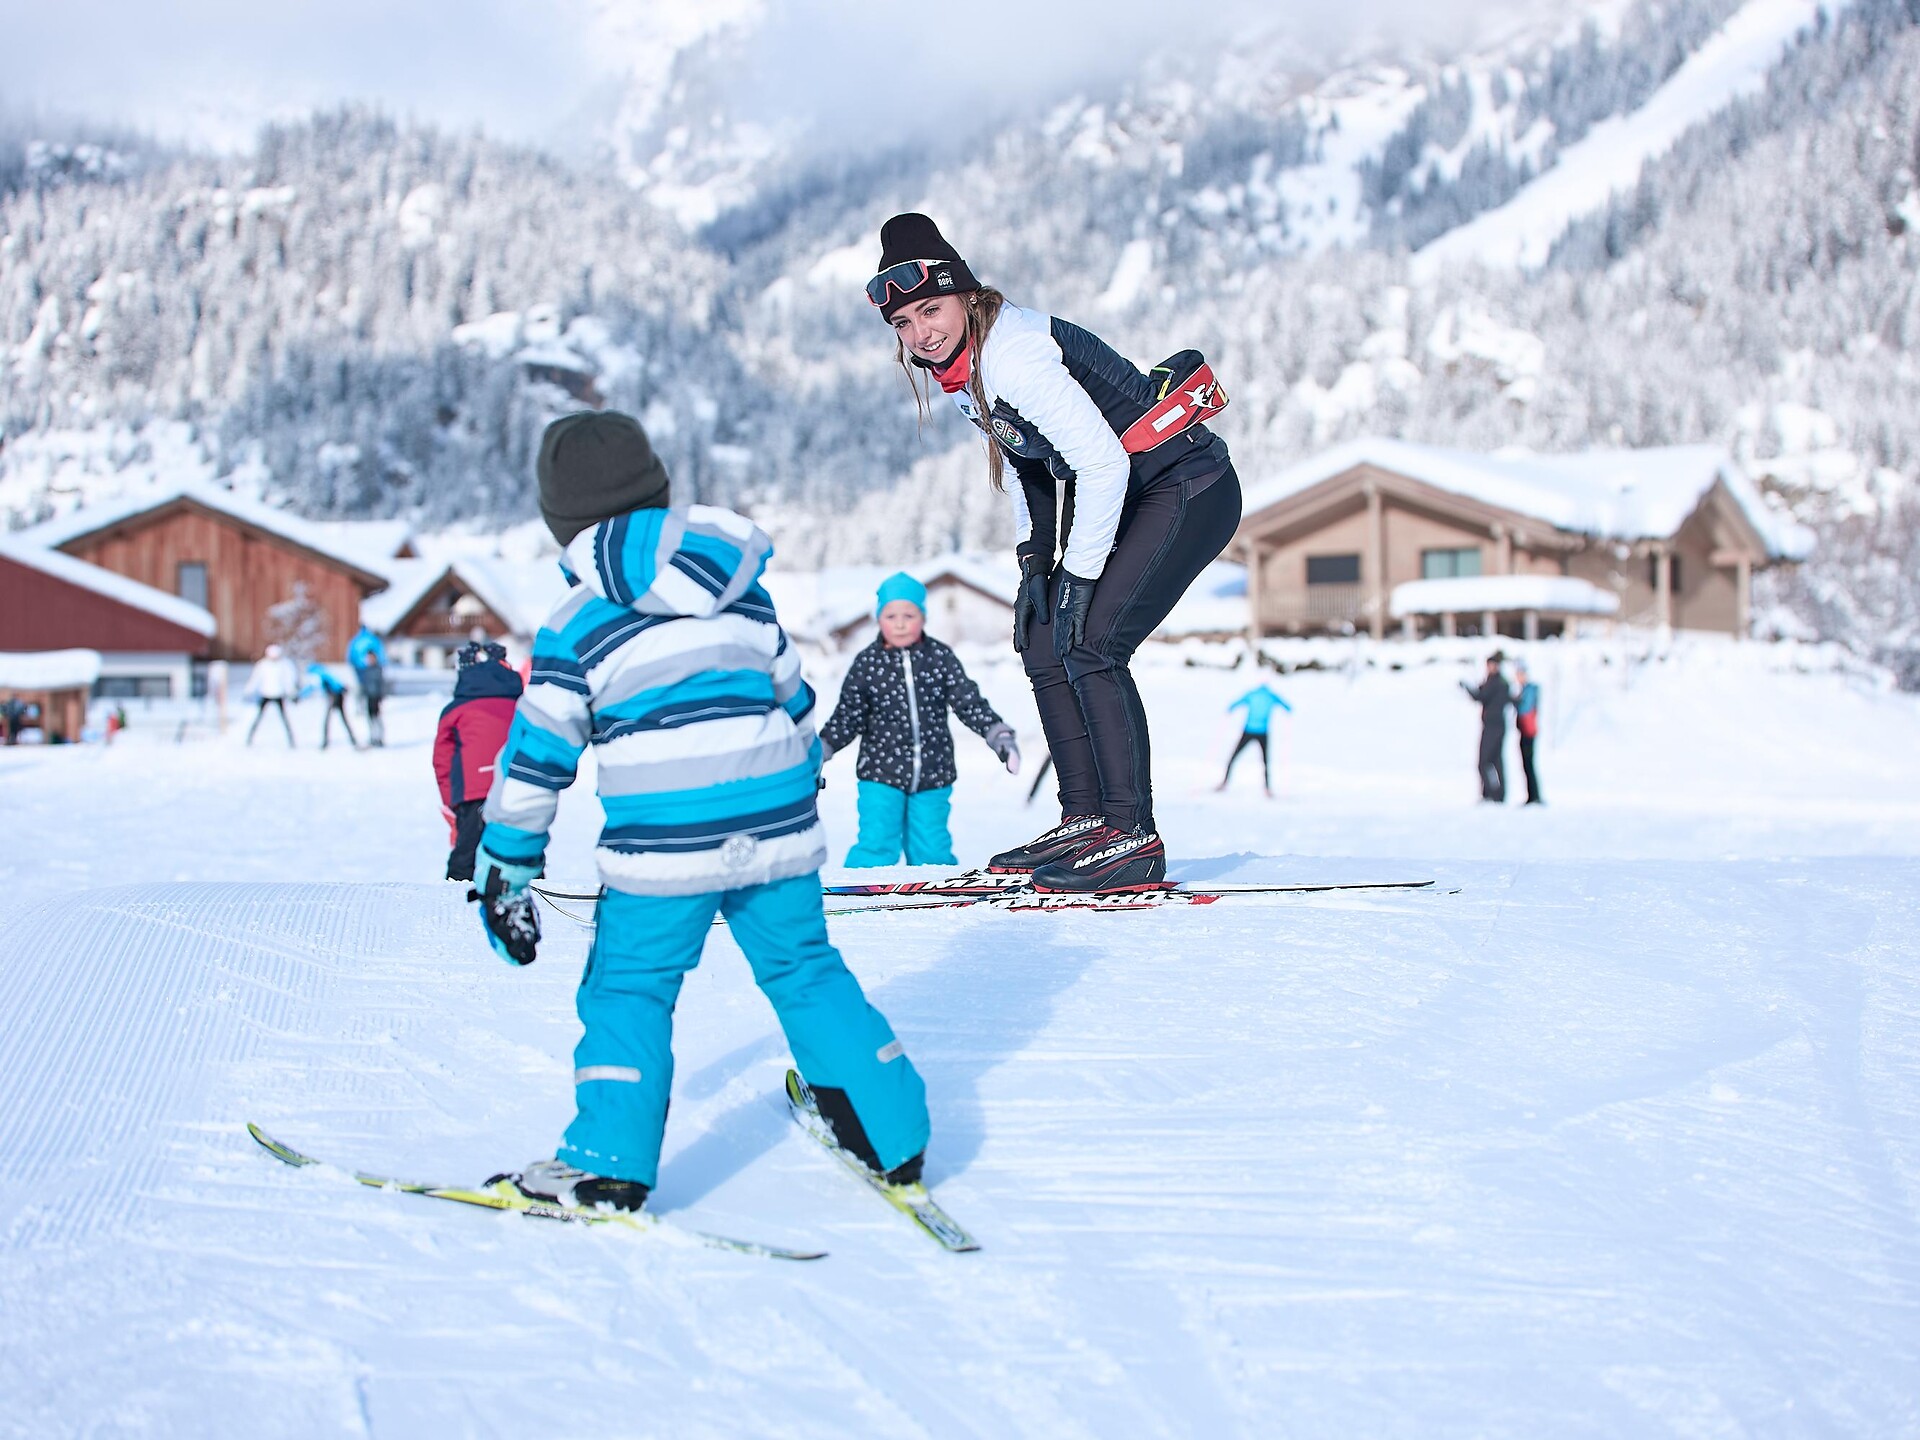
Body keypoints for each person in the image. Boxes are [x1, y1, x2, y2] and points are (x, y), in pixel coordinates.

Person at [472, 410, 929, 1214]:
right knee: (804, 968)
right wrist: (791, 789)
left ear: (563, 527)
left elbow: (537, 756)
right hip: (776, 826)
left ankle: (608, 1164)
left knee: (629, 988)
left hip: (664, 847)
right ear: (659, 493)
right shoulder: (741, 592)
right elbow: (794, 701)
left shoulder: (574, 625)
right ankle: (890, 1136)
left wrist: (507, 865)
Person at [867, 213, 1240, 892]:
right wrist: (1035, 566)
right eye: (904, 323)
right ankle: (1087, 820)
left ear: (965, 296)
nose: (921, 333)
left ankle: (1131, 835)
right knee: (1044, 638)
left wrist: (1078, 576)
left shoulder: (1013, 354)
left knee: (1092, 643)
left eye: (931, 310)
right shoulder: (965, 370)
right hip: (1131, 492)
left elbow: (1101, 464)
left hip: (1187, 485)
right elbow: (1026, 466)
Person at [820, 572, 1018, 868]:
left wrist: (997, 734)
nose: (900, 623)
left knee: (932, 849)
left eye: (909, 615)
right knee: (876, 843)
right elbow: (848, 715)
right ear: (879, 619)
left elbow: (968, 701)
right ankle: (859, 885)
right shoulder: (867, 663)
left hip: (933, 774)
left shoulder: (939, 657)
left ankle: (936, 886)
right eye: (891, 616)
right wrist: (821, 749)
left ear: (923, 617)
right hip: (880, 774)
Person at [434, 640, 522, 882]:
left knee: (467, 848)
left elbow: (442, 760)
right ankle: (532, 886)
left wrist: (451, 801)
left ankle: (456, 891)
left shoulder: (455, 710)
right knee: (519, 843)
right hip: (514, 784)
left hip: (473, 789)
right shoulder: (520, 705)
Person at [1218, 683, 1291, 795]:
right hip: (1262, 732)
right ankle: (1267, 789)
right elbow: (1287, 706)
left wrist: (1231, 708)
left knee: (1234, 756)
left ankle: (1224, 782)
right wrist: (1288, 710)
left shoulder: (1252, 694)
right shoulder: (1271, 695)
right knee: (1265, 761)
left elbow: (1237, 702)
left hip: (1249, 730)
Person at [1460, 652, 1511, 803]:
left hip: (1493, 726)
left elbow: (1481, 696)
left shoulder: (1496, 682)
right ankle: (1498, 793)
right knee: (1495, 760)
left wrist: (1468, 688)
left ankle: (1491, 793)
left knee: (1484, 761)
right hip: (1496, 725)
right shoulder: (1499, 682)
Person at [244, 643, 299, 747]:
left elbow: (288, 681)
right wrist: (248, 691)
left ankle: (291, 740)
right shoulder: (263, 665)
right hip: (266, 694)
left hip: (278, 694)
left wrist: (292, 693)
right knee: (258, 717)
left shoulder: (283, 665)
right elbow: (255, 679)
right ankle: (249, 738)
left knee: (284, 718)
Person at [302, 663, 361, 749]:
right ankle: (352, 739)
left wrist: (300, 696)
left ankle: (325, 741)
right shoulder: (324, 672)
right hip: (338, 695)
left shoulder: (318, 674)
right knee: (343, 719)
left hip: (334, 696)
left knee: (328, 719)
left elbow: (311, 687)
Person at [348, 624, 388, 747]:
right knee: (370, 717)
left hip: (375, 695)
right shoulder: (366, 669)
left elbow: (380, 683)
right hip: (369, 695)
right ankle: (373, 736)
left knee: (376, 717)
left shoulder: (376, 669)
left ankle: (379, 737)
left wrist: (381, 694)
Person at [1513, 660, 1544, 806]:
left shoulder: (1529, 690)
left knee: (1529, 765)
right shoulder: (1525, 690)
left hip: (1528, 731)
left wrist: (1516, 701)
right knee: (1526, 765)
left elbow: (1525, 708)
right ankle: (1531, 795)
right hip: (1524, 731)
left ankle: (1534, 796)